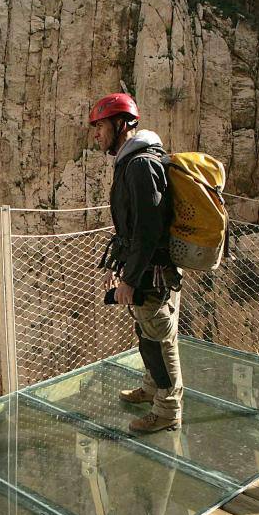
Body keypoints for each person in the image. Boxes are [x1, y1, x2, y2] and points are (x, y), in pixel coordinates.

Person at [90, 93, 183, 433]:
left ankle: (168, 410)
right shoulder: (133, 162)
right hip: (146, 267)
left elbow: (148, 229)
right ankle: (152, 388)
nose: (96, 135)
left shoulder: (141, 165)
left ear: (120, 124)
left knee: (159, 338)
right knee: (146, 329)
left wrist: (128, 278)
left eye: (100, 126)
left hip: (152, 270)